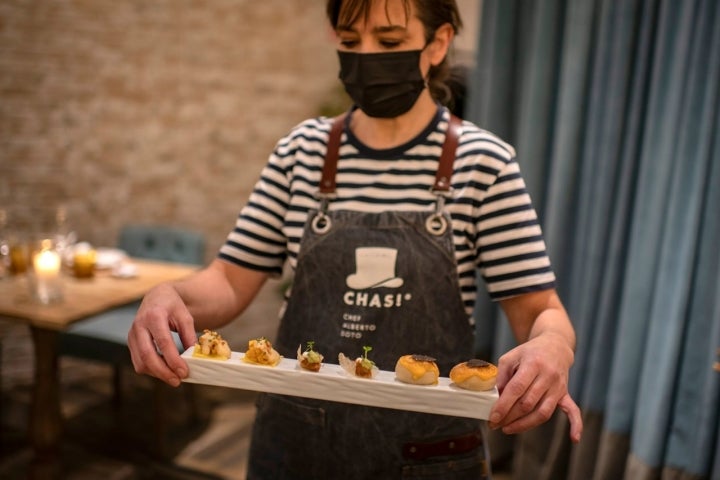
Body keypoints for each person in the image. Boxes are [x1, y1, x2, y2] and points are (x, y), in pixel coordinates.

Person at [128, 0, 583, 478]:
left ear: (438, 42)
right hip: (295, 443)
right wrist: (169, 294)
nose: (366, 56)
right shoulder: (300, 152)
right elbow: (228, 281)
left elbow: (541, 313)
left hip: (427, 453)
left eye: (388, 42)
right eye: (350, 41)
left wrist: (554, 346)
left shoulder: (484, 164)